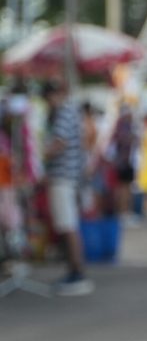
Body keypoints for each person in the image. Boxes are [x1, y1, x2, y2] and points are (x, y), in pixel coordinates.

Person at [41, 80, 93, 294]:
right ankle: (74, 270)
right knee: (68, 224)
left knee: (68, 225)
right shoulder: (72, 111)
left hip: (64, 177)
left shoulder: (64, 112)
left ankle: (76, 272)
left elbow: (59, 143)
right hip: (69, 176)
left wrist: (38, 157)